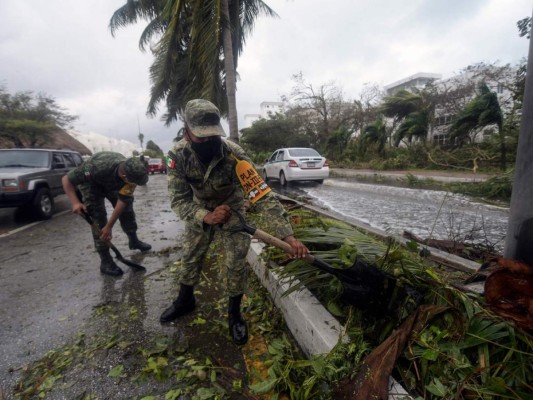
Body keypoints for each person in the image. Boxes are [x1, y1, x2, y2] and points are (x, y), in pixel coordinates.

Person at [160, 99, 309, 345]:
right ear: (186, 132)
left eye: (212, 136)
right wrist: (205, 216)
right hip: (199, 209)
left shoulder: (235, 156)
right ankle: (184, 301)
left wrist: (287, 235)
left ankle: (234, 314)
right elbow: (178, 200)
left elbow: (262, 195)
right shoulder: (177, 156)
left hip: (232, 210)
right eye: (201, 137)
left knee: (235, 262)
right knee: (191, 256)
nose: (208, 142)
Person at [62, 151, 152, 277]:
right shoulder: (94, 167)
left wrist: (110, 226)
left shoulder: (132, 175)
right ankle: (105, 261)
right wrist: (75, 202)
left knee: (127, 211)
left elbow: (122, 201)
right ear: (124, 175)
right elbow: (66, 180)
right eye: (133, 181)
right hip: (92, 184)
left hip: (113, 184)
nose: (134, 184)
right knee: (98, 219)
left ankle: (134, 241)